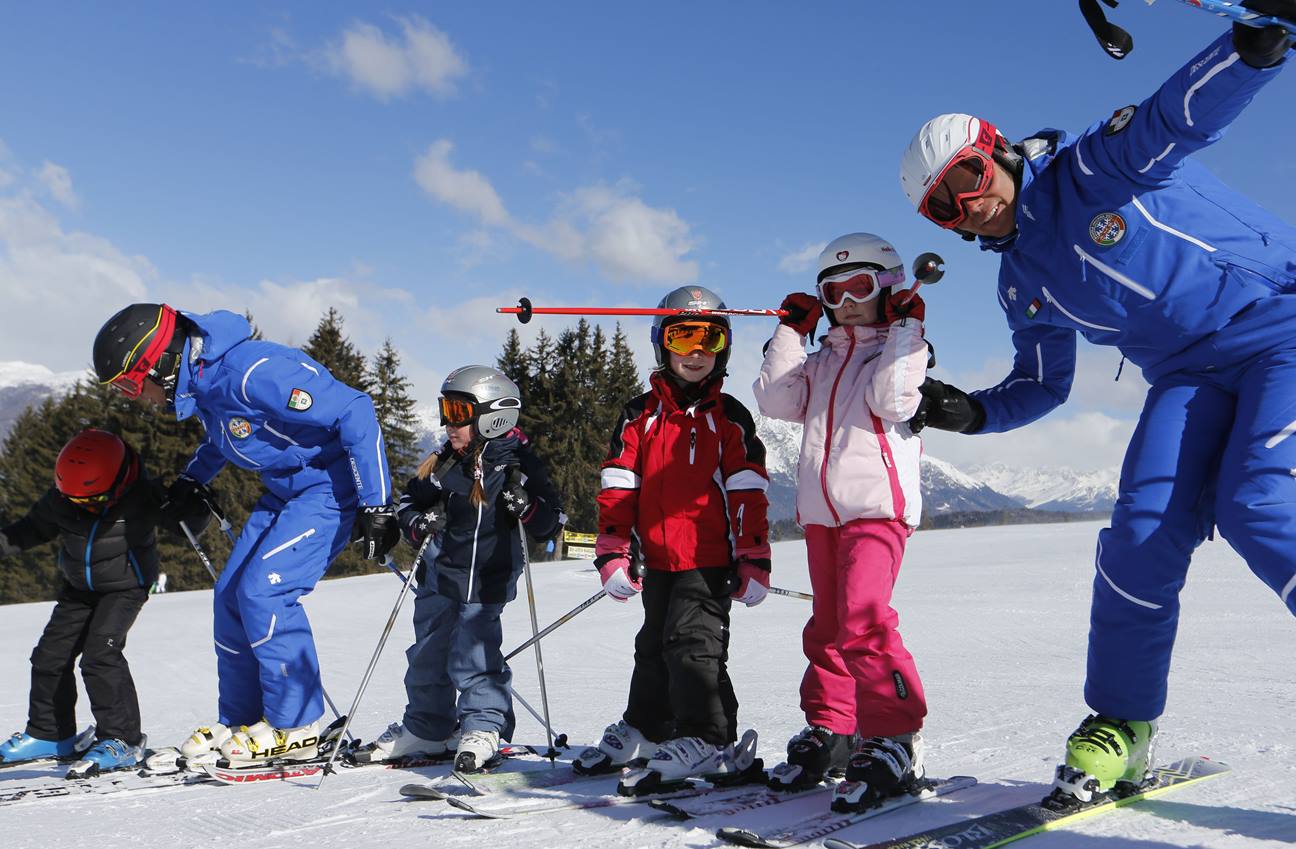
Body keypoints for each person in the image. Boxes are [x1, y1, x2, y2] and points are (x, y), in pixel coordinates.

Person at [898, 19, 1296, 803]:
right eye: (943, 207)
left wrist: (1253, 44)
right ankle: (1123, 725)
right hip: (1188, 375)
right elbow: (1044, 383)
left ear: (998, 146)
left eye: (967, 176)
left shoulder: (1093, 168)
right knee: (1139, 535)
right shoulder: (1022, 283)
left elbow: (1176, 116)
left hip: (1281, 322)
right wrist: (969, 413)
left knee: (1259, 503)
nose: (966, 205)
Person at [91, 303, 398, 766]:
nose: (137, 397)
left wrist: (377, 503)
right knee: (231, 595)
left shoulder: (253, 372)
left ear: (163, 361)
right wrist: (194, 479)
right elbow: (225, 436)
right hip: (284, 493)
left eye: (134, 383)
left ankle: (296, 726)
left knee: (265, 594)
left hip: (329, 489)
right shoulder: (205, 383)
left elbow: (356, 410)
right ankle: (243, 718)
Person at [753, 233, 930, 811]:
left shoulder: (900, 350)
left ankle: (894, 737)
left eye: (861, 286)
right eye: (834, 291)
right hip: (822, 515)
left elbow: (895, 401)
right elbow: (777, 402)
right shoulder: (821, 359)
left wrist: (906, 331)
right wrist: (789, 332)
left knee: (863, 622)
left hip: (876, 511)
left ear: (888, 286)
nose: (847, 299)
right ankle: (834, 729)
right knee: (826, 626)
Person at [575, 285, 772, 791]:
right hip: (656, 557)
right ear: (662, 343)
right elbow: (619, 484)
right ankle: (648, 725)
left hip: (710, 560)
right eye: (683, 338)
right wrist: (614, 549)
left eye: (709, 338)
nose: (696, 352)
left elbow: (747, 490)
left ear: (724, 346)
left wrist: (752, 556)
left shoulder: (730, 417)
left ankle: (710, 738)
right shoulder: (640, 414)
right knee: (654, 646)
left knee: (693, 647)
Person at [353, 366, 564, 772]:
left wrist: (528, 506)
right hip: (438, 577)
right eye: (445, 410)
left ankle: (484, 725)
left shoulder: (518, 466)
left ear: (493, 415)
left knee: (475, 655)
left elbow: (551, 523)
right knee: (427, 656)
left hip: (487, 580)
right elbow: (407, 502)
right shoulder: (446, 463)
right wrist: (416, 525)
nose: (449, 423)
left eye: (458, 411)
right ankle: (428, 728)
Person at [0, 429, 200, 776]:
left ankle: (123, 739)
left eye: (91, 501)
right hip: (78, 589)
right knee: (49, 656)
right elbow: (32, 528)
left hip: (126, 587)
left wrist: (193, 502)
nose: (82, 507)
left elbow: (186, 526)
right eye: (75, 500)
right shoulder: (64, 499)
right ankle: (50, 734)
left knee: (100, 656)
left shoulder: (142, 497)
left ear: (119, 483)